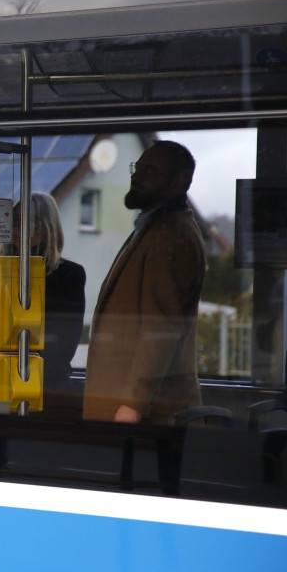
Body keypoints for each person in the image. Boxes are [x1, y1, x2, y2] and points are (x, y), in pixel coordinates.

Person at [83, 140, 206, 424]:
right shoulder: (155, 228)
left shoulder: (170, 236)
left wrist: (134, 403)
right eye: (136, 168)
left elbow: (159, 326)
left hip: (141, 414)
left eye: (149, 171)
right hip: (132, 407)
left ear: (178, 182)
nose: (136, 177)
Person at [13, 192, 86, 401]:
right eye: (15, 221)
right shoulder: (0, 270)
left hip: (47, 385)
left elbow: (64, 343)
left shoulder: (68, 274)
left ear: (47, 227)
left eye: (29, 222)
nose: (18, 228)